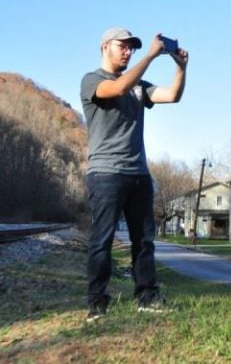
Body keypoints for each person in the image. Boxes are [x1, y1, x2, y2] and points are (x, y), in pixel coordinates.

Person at [81, 27, 188, 322]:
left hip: (139, 174)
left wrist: (181, 68)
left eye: (133, 48)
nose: (128, 51)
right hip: (105, 174)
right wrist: (152, 56)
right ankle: (97, 304)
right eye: (123, 46)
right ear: (105, 47)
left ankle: (147, 296)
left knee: (144, 241)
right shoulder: (93, 80)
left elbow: (172, 95)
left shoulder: (140, 85)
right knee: (102, 240)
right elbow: (116, 89)